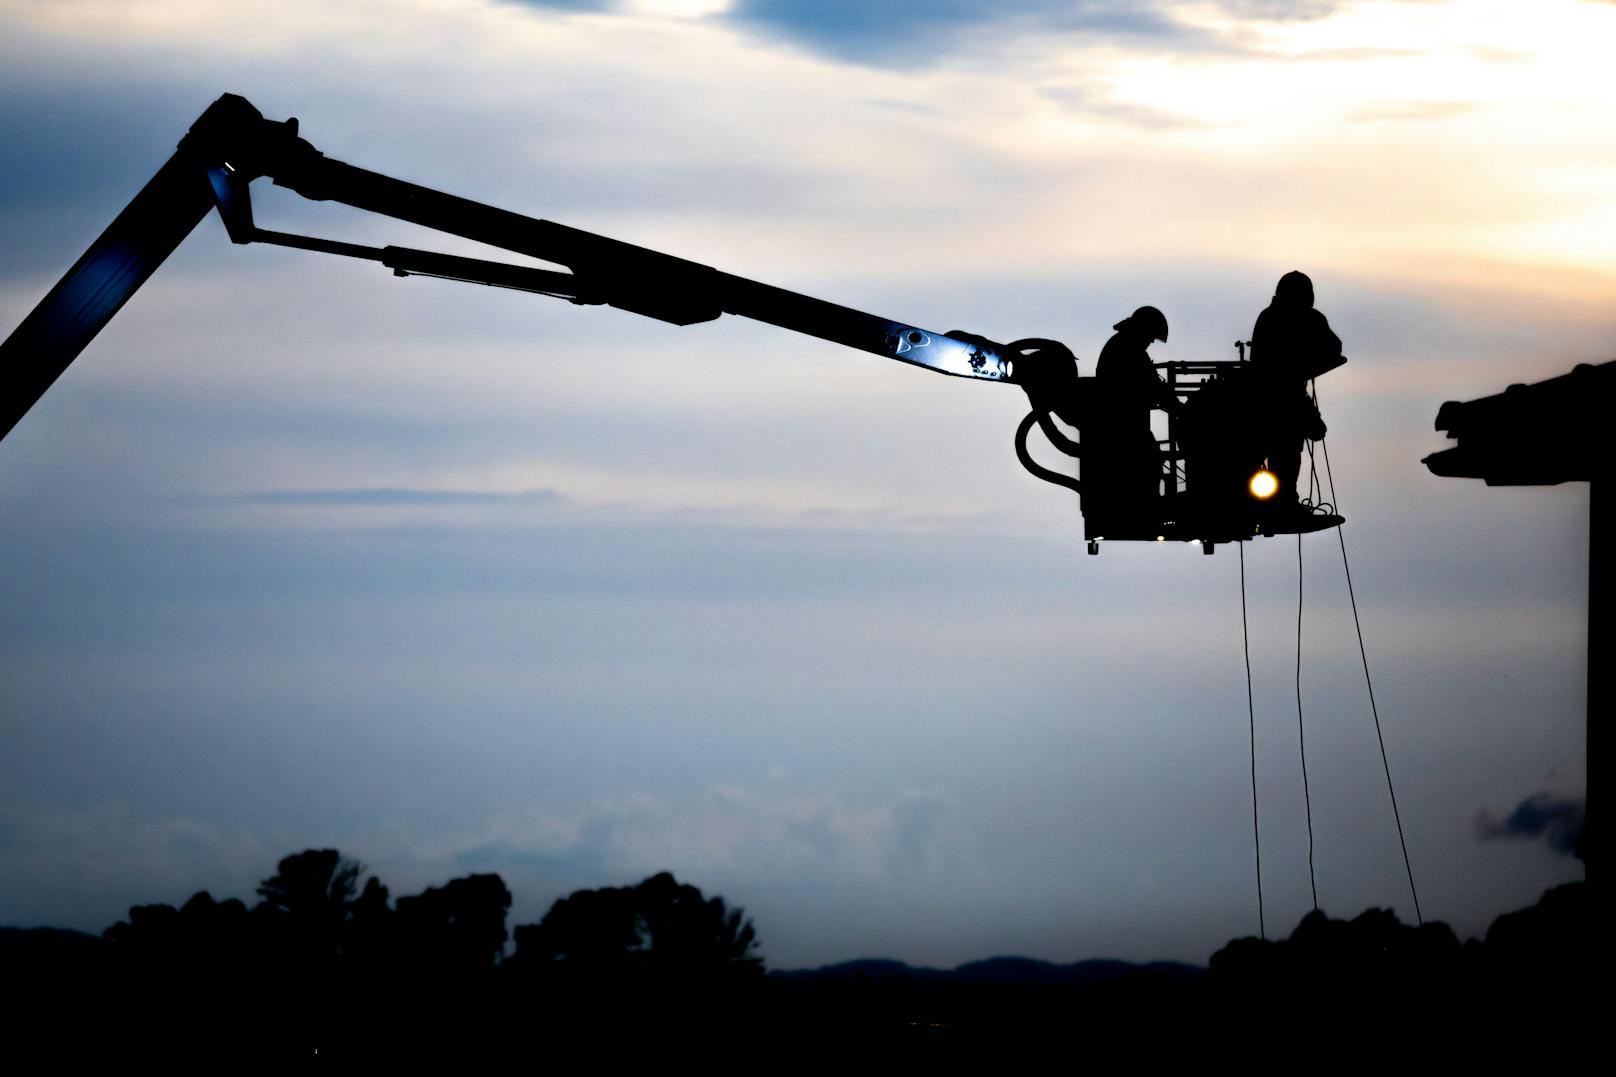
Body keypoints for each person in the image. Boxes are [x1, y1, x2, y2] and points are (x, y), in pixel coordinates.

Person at [1249, 271, 1338, 506]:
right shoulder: (1305, 319)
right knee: (1286, 453)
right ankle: (1284, 502)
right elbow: (1333, 349)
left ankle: (1273, 501)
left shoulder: (1268, 317)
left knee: (1274, 453)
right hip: (1279, 401)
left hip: (1263, 400)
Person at [1090, 305, 1178, 515]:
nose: (1150, 343)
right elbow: (1153, 388)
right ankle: (1147, 509)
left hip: (1120, 424)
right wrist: (1180, 409)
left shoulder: (1121, 345)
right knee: (1149, 462)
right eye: (1151, 337)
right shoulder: (1129, 351)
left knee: (1151, 459)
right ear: (1143, 331)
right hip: (1123, 426)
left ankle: (1146, 506)